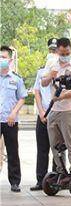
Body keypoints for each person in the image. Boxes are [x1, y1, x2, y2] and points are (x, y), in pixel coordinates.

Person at [41, 37, 71, 177]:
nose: (65, 56)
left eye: (67, 53)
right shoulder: (51, 63)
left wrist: (64, 96)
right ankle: (60, 171)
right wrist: (50, 76)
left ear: (70, 49)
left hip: (69, 110)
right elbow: (43, 83)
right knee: (54, 143)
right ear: (57, 52)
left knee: (69, 141)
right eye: (62, 53)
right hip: (53, 110)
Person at [0, 46, 27, 192]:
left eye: (3, 57)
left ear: (10, 60)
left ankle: (15, 181)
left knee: (12, 151)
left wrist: (13, 113)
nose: (1, 60)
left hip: (10, 120)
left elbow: (22, 97)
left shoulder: (16, 79)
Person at [31, 41, 57, 191]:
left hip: (57, 114)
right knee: (42, 149)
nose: (52, 53)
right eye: (51, 50)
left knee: (57, 149)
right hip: (42, 114)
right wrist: (41, 112)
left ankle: (55, 179)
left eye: (55, 50)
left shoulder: (62, 71)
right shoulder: (41, 72)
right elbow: (37, 92)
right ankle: (40, 180)